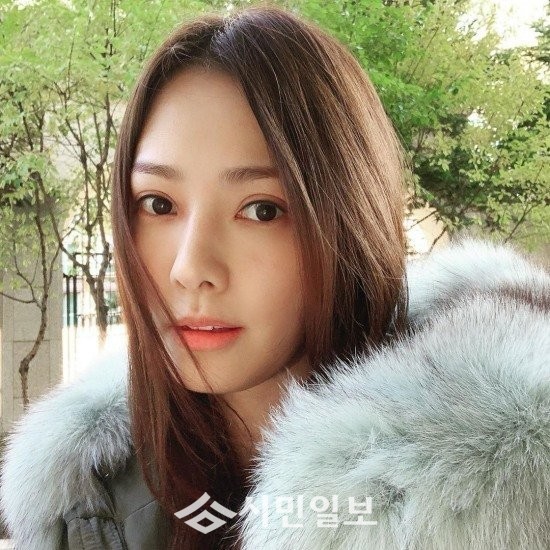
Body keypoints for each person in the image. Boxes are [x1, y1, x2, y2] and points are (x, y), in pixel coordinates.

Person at [1, 5, 549, 550]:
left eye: (261, 210)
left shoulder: (497, 508)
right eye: (158, 204)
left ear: (348, 222)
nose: (190, 269)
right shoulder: (87, 502)